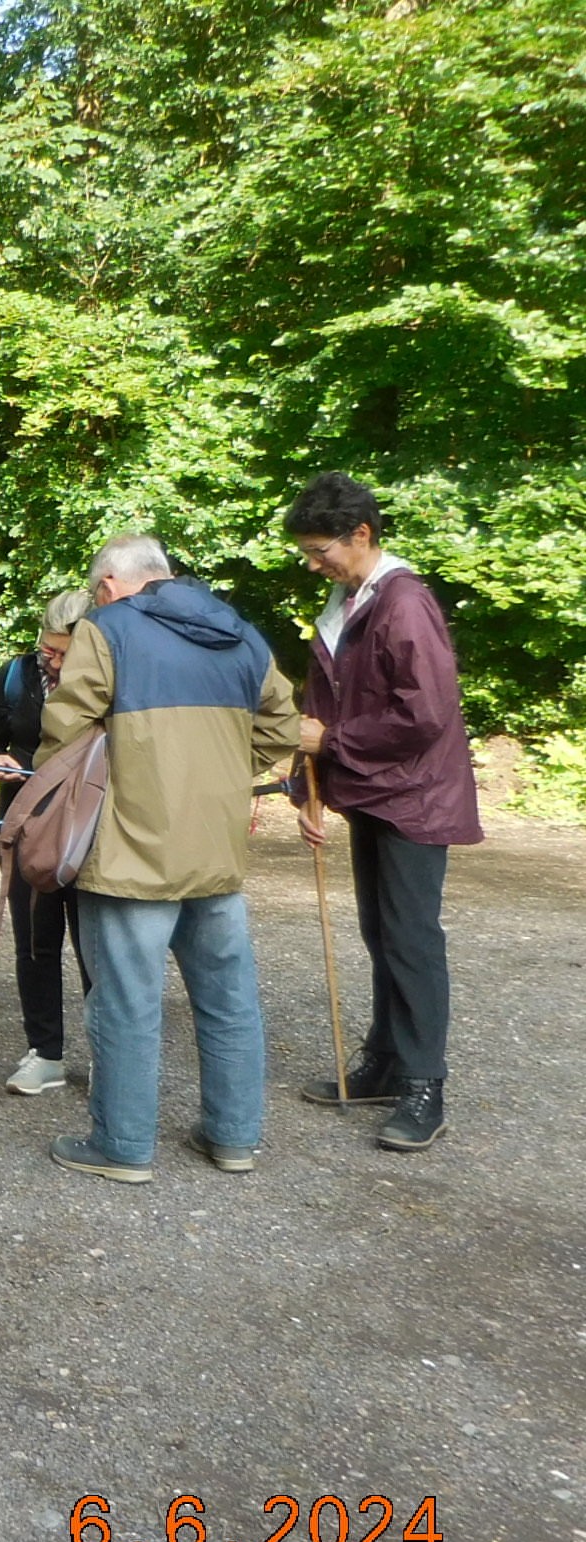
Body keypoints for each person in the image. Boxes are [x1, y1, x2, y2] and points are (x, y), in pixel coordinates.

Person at [37, 535, 298, 1184]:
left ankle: (123, 1146)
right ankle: (234, 1138)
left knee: (126, 1003)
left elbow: (67, 732)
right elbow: (282, 725)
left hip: (132, 855)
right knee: (229, 999)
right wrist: (224, 776)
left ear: (106, 586)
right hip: (215, 854)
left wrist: (50, 793)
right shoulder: (241, 633)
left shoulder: (108, 629)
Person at [286, 473, 481, 1150]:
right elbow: (319, 704)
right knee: (381, 931)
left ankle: (426, 1084)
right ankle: (386, 1061)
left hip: (415, 797)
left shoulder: (404, 603)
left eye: (320, 551)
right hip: (372, 788)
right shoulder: (349, 599)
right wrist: (304, 782)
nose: (314, 564)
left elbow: (425, 713)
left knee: (413, 939)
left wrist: (332, 743)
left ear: (360, 535)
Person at [0, 588, 96, 1094]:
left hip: (91, 829)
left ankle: (111, 1053)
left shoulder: (112, 680)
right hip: (25, 827)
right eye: (49, 650)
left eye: (66, 653)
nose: (55, 661)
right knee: (35, 943)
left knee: (97, 948)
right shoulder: (16, 675)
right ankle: (45, 1054)